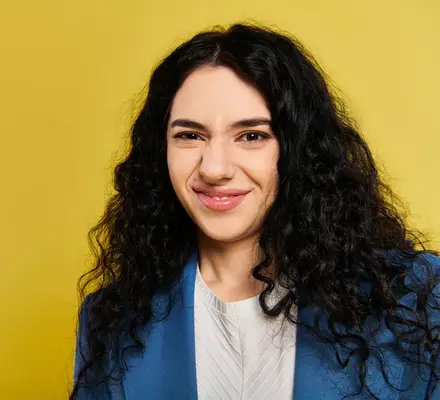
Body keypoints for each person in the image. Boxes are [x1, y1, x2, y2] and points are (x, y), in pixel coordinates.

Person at [70, 23, 440, 400]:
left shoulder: (414, 299)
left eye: (251, 136)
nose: (214, 169)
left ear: (298, 149)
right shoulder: (110, 321)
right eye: (189, 135)